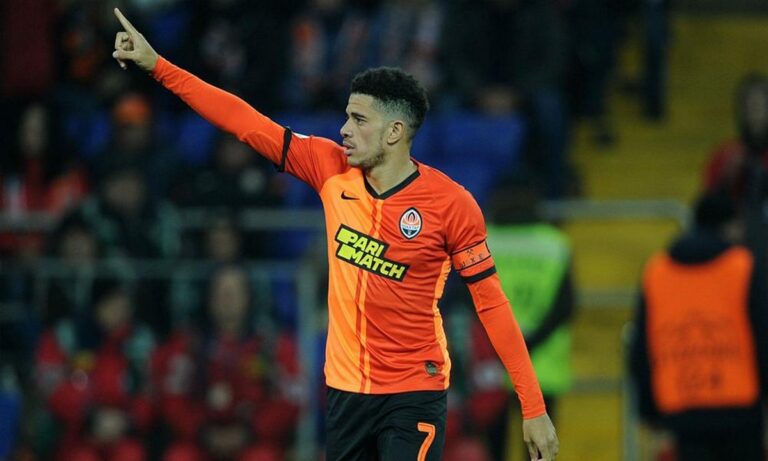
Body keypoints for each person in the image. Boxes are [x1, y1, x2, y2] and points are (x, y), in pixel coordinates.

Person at [111, 8, 558, 460]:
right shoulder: (329, 168)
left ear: (394, 132)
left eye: (359, 120)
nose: (344, 130)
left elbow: (492, 305)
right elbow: (244, 121)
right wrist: (158, 66)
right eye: (347, 116)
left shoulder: (451, 204)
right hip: (346, 394)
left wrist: (533, 407)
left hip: (414, 393)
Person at [629, 190, 768, 461]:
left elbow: (642, 347)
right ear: (730, 225)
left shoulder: (657, 271)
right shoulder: (744, 266)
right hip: (740, 409)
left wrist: (649, 410)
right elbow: (762, 336)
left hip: (681, 408)